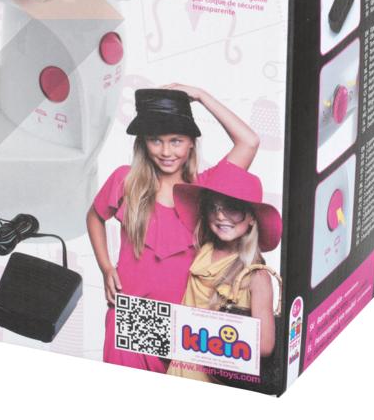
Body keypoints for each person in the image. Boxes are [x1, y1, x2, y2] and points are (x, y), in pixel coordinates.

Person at [86, 84, 261, 371]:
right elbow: (95, 216)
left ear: (191, 142)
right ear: (143, 143)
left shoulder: (205, 188)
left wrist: (201, 96)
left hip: (186, 322)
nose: (166, 151)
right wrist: (106, 268)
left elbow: (249, 142)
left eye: (176, 141)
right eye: (156, 140)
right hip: (131, 313)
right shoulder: (126, 181)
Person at [166, 168, 282, 381]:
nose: (220, 216)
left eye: (233, 208)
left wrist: (202, 330)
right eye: (214, 207)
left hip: (214, 378)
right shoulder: (202, 249)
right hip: (179, 369)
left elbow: (265, 345)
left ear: (252, 218)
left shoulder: (256, 276)